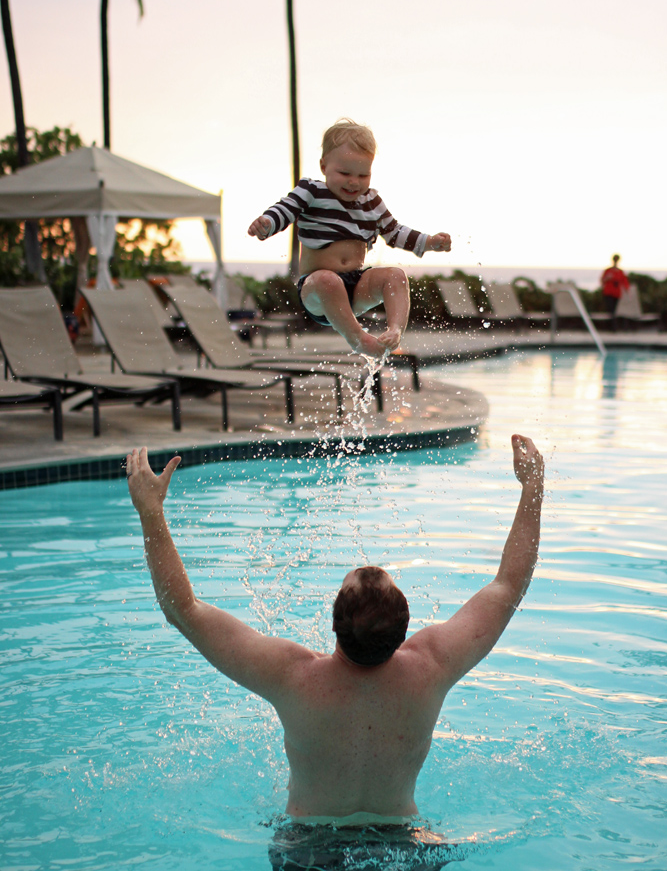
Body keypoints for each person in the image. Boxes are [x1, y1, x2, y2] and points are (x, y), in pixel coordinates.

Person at [126, 433, 544, 836]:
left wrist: (151, 512)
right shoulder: (431, 666)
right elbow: (508, 585)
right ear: (404, 630)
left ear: (335, 621)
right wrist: (533, 488)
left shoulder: (293, 677)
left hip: (308, 846)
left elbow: (183, 610)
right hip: (402, 842)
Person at [247, 120, 452, 359]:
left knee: (396, 276)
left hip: (355, 288)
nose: (354, 182)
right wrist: (267, 224)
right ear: (324, 166)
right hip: (317, 291)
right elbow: (285, 209)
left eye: (363, 175)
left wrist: (429, 242)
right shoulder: (312, 191)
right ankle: (358, 338)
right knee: (328, 279)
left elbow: (395, 232)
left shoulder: (371, 201)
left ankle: (395, 330)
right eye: (344, 173)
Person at [601, 254, 630, 325]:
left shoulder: (620, 272)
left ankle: (612, 326)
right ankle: (612, 326)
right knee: (610, 310)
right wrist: (607, 278)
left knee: (614, 310)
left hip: (616, 293)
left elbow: (625, 282)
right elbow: (602, 280)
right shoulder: (608, 271)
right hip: (608, 293)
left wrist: (627, 292)